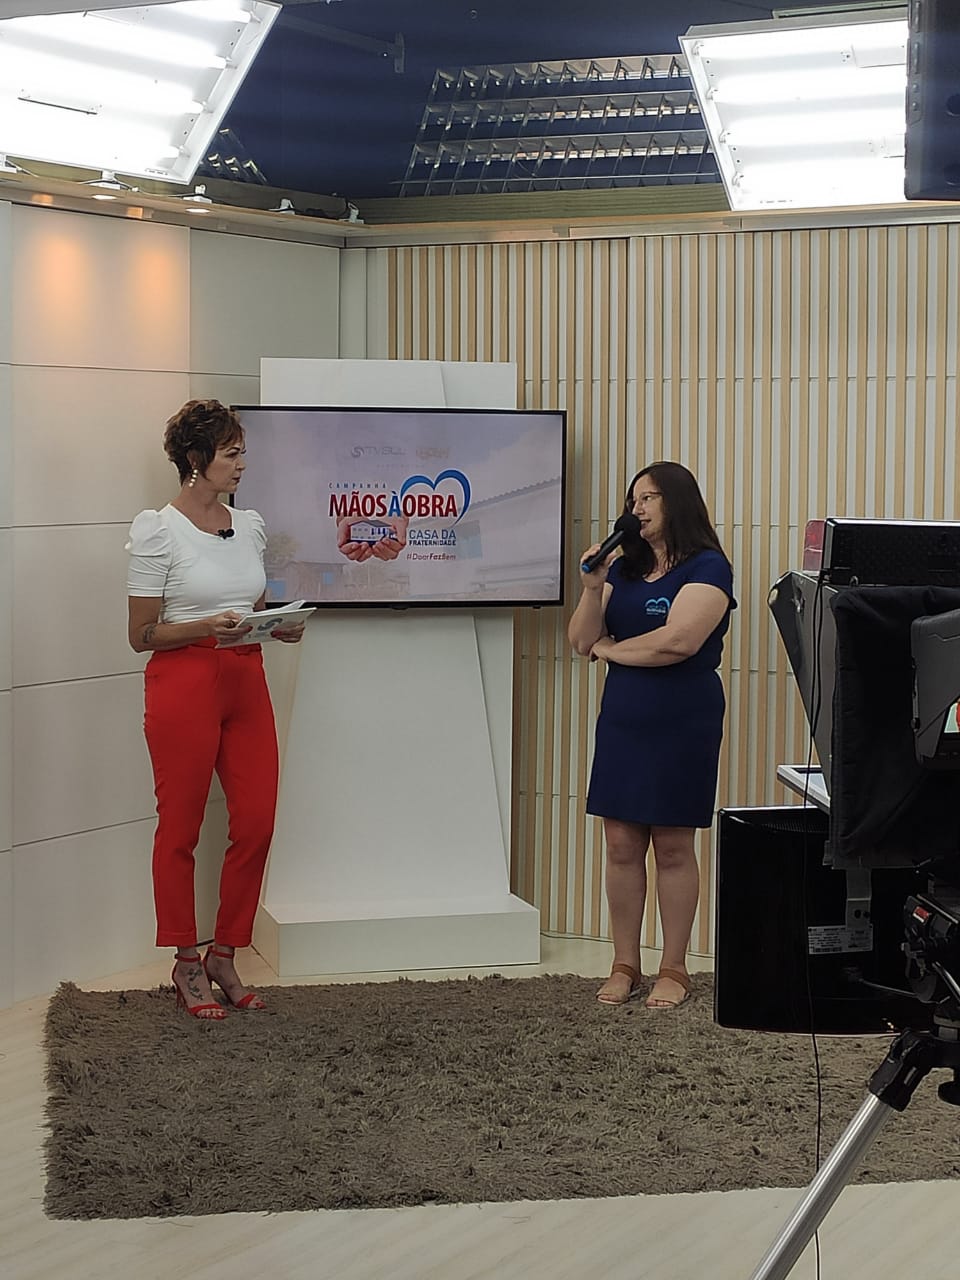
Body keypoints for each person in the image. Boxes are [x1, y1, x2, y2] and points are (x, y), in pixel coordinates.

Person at [126, 399, 306, 1020]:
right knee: (179, 827)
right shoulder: (157, 530)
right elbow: (141, 635)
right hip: (184, 681)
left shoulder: (248, 525)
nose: (242, 464)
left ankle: (224, 953)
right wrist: (205, 625)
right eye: (232, 453)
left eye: (242, 452)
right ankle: (184, 961)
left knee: (256, 820)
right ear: (196, 459)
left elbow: (251, 605)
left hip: (246, 676)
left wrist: (276, 624)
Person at [568, 462, 736, 1009]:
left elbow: (678, 642)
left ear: (677, 503)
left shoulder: (709, 567)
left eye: (649, 498)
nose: (636, 509)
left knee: (672, 844)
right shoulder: (624, 569)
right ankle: (625, 964)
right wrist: (593, 588)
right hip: (625, 715)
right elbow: (580, 640)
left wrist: (613, 650)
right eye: (633, 499)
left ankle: (674, 967)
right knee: (620, 843)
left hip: (682, 715)